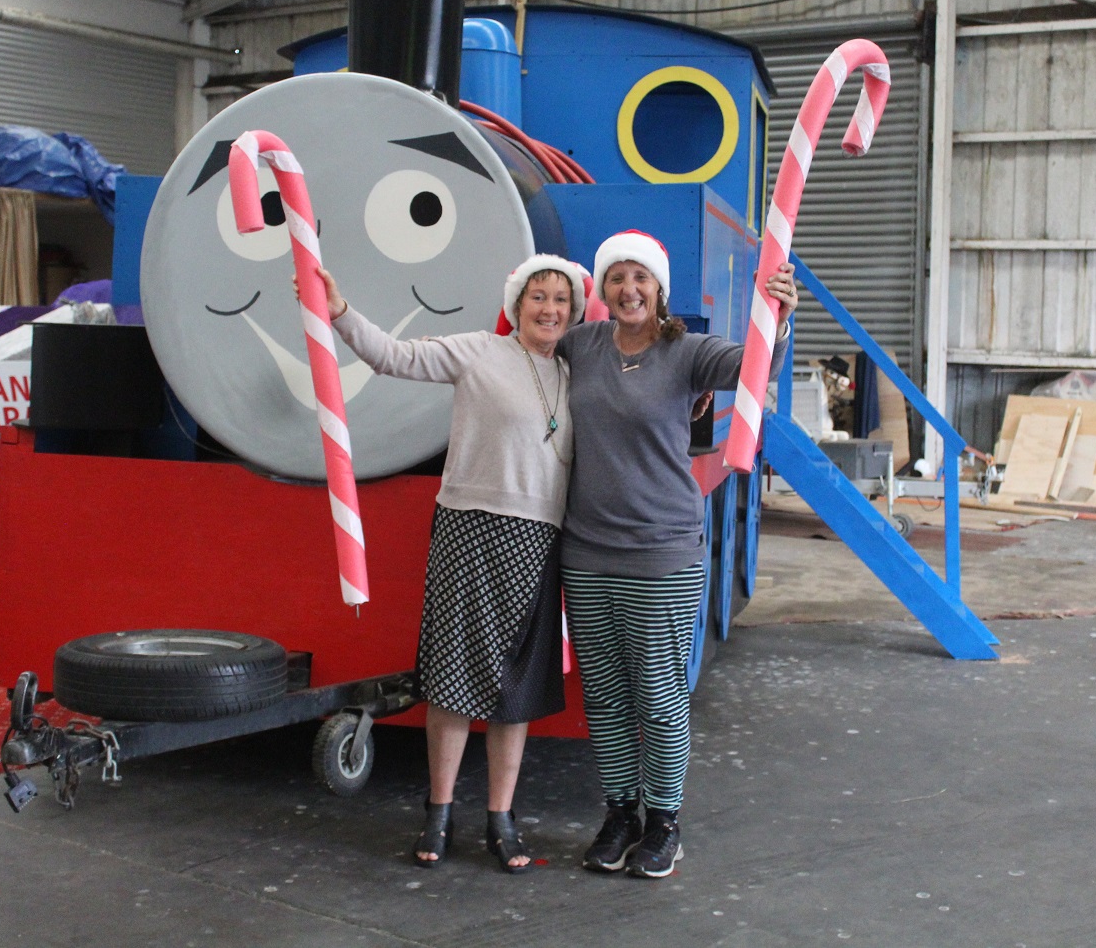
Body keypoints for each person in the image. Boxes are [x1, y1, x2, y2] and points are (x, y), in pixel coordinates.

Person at [300, 254, 585, 874]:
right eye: (538, 295)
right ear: (517, 303)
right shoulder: (479, 351)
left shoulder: (573, 374)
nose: (549, 308)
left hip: (541, 542)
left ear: (574, 311)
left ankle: (501, 819)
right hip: (469, 529)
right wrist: (340, 309)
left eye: (561, 299)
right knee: (453, 682)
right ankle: (438, 811)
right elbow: (392, 357)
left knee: (517, 691)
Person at [555, 229, 799, 879]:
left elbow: (756, 366)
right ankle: (620, 813)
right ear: (601, 289)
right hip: (586, 551)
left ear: (660, 288)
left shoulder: (686, 352)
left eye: (640, 277)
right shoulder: (580, 346)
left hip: (662, 552)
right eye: (616, 277)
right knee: (604, 697)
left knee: (659, 697)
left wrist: (779, 313)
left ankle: (664, 821)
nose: (628, 288)